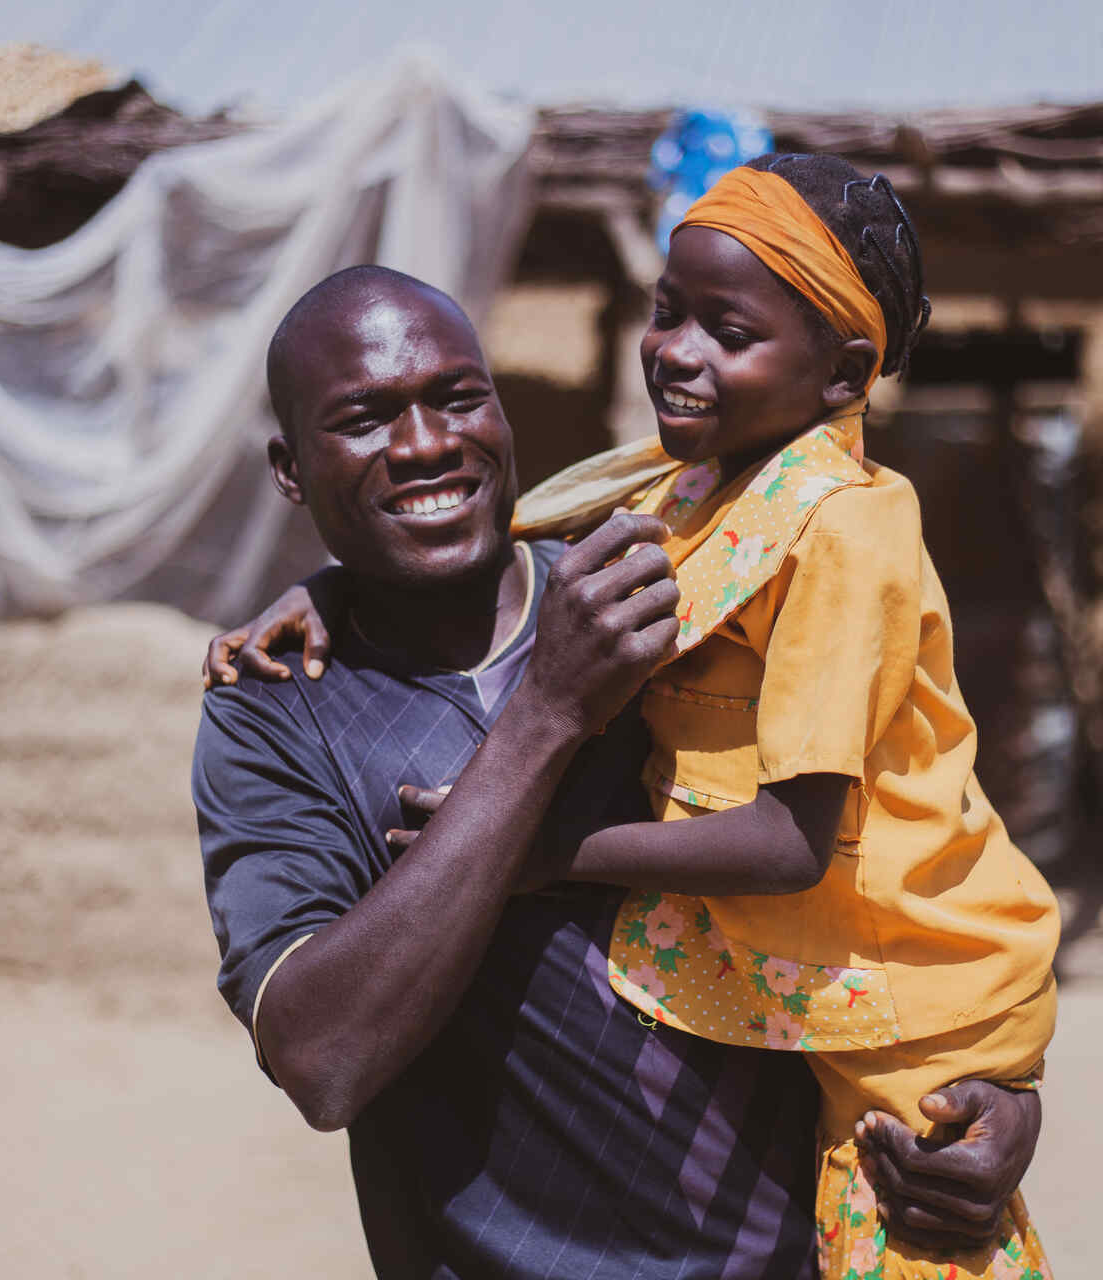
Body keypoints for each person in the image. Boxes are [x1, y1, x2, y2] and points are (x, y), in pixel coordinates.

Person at [199, 264, 1047, 1279]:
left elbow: (904, 855)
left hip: (793, 1253)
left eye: (457, 396)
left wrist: (993, 1087)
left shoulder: (666, 597)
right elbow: (322, 1058)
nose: (426, 444)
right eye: (366, 419)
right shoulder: (276, 709)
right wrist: (546, 713)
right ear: (291, 469)